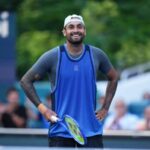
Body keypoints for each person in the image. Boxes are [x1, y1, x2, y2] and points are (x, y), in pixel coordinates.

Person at [20, 14, 118, 148]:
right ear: (64, 32)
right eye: (71, 27)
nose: (75, 30)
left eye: (79, 27)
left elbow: (114, 77)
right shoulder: (52, 56)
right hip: (61, 132)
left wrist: (105, 107)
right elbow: (25, 81)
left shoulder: (97, 55)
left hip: (91, 132)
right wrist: (44, 110)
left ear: (85, 31)